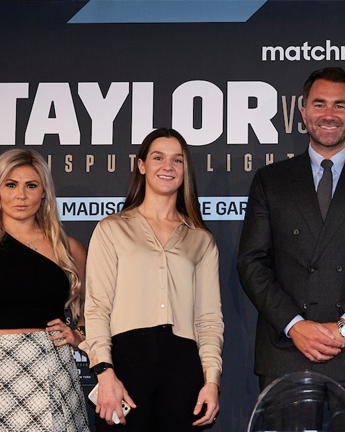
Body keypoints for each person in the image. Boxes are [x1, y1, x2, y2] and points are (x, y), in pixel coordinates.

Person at [237, 67, 345, 432]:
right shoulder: (271, 180)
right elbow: (252, 262)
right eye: (319, 104)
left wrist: (344, 328)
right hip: (286, 351)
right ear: (303, 113)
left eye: (339, 105)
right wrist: (295, 325)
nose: (329, 114)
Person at [80, 128, 224, 431]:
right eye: (158, 157)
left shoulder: (201, 240)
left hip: (183, 365)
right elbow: (96, 307)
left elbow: (208, 319)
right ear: (142, 165)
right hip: (126, 362)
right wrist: (104, 373)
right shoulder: (112, 229)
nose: (167, 167)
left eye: (177, 160)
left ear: (186, 170)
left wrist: (211, 381)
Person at [0, 149, 90, 431]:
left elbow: (94, 310)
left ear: (44, 193)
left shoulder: (67, 249)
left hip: (51, 369)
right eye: (11, 185)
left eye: (31, 185)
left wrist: (79, 336)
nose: (21, 195)